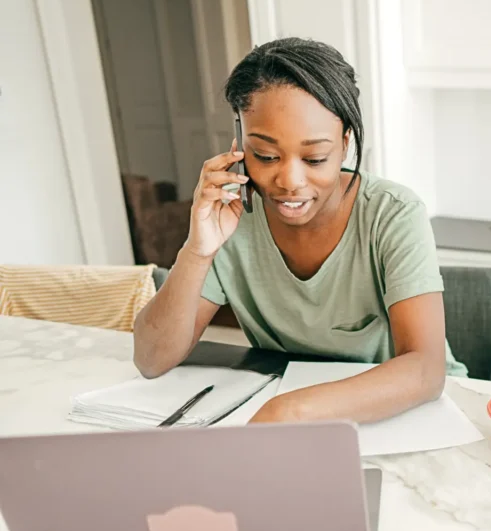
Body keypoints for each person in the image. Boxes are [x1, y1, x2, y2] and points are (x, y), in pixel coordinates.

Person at [133, 37, 466, 424]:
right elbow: (151, 360)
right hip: (299, 413)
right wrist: (197, 250)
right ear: (240, 144)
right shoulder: (231, 217)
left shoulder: (393, 214)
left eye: (315, 158)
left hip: (411, 414)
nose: (289, 181)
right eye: (266, 156)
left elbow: (426, 370)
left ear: (345, 145)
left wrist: (288, 411)